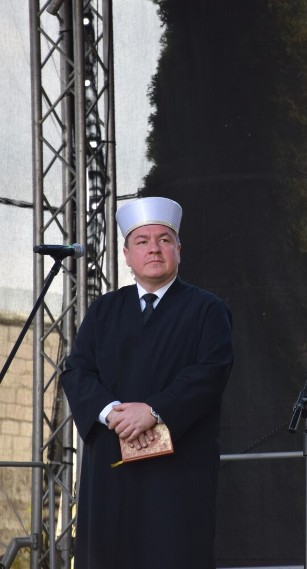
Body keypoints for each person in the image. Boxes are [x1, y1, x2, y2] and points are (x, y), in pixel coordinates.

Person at [60, 197, 235, 569]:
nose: (154, 248)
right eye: (142, 241)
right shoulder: (104, 309)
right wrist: (111, 413)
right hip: (109, 470)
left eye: (164, 239)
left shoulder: (207, 309)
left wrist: (153, 411)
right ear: (127, 254)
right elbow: (77, 371)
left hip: (176, 474)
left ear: (178, 250)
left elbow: (210, 372)